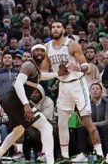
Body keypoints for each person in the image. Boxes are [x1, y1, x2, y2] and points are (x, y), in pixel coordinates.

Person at [46, 20, 105, 164]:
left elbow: (86, 65)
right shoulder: (47, 47)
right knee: (62, 123)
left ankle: (100, 155)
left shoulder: (71, 44)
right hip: (63, 86)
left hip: (77, 85)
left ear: (63, 30)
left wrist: (79, 68)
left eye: (58, 27)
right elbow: (44, 69)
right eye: (53, 27)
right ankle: (65, 157)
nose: (55, 29)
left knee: (87, 121)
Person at [0, 44, 56, 164]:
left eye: (42, 51)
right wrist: (26, 104)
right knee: (46, 127)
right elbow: (18, 84)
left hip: (10, 102)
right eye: (37, 50)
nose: (40, 52)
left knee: (18, 131)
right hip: (17, 103)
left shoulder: (35, 68)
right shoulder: (29, 65)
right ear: (31, 53)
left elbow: (41, 76)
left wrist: (58, 74)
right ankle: (50, 161)